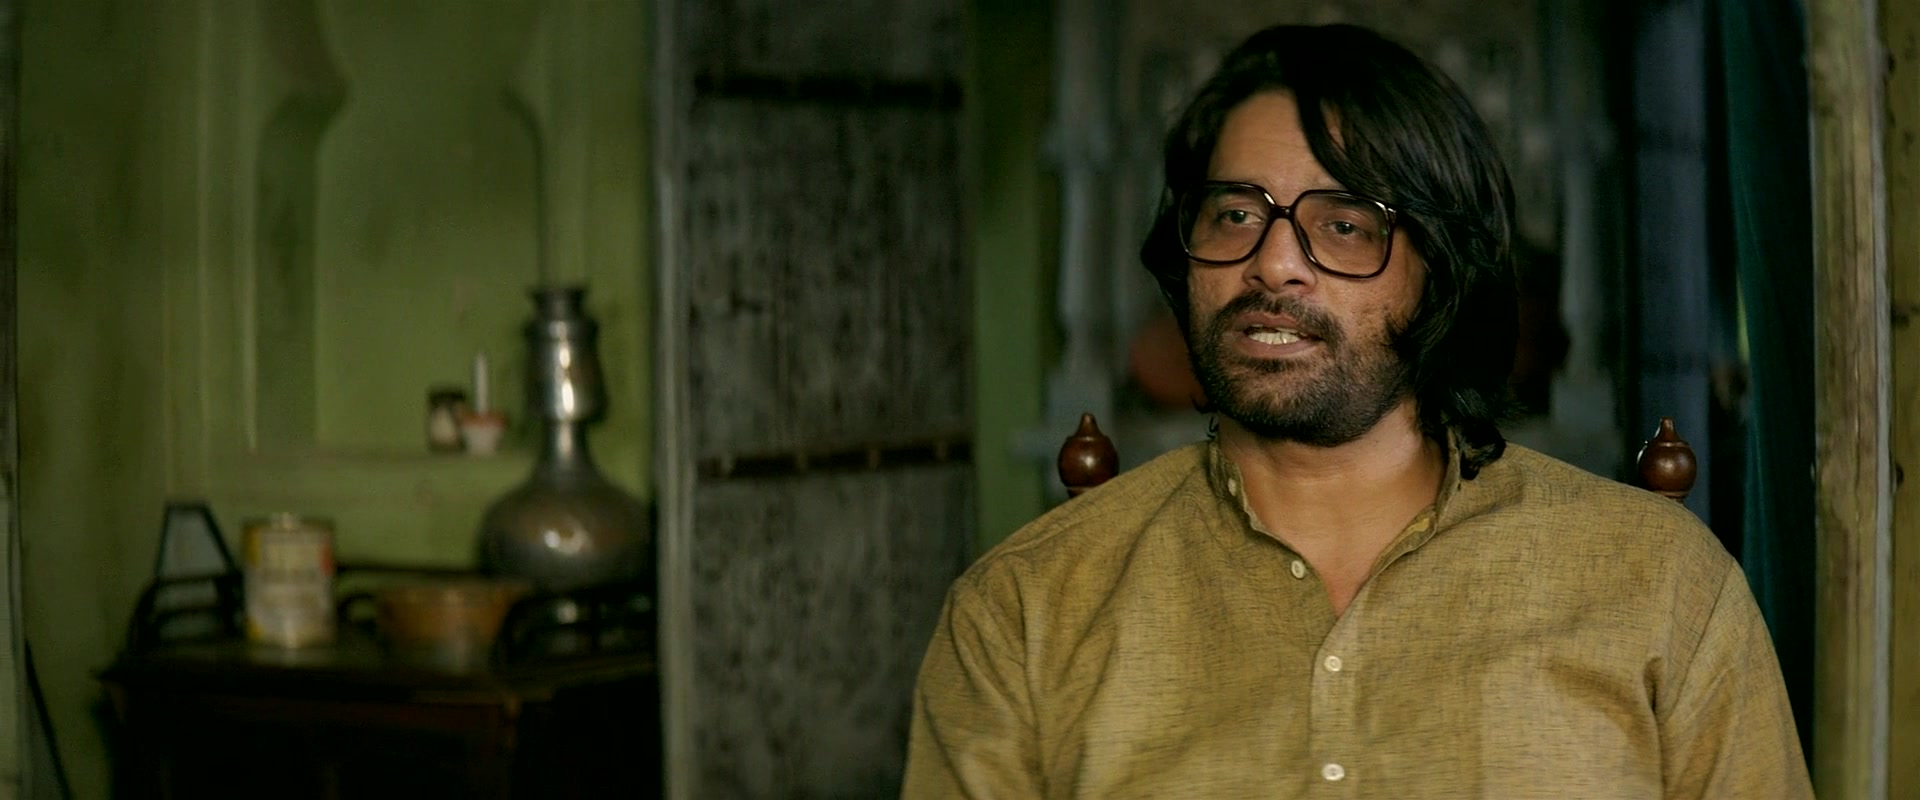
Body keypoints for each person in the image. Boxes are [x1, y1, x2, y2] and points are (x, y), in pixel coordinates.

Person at [901, 22, 1811, 799]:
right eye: (1234, 215)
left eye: (1343, 224)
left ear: (1438, 270)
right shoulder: (1028, 611)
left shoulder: (1656, 587)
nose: (1273, 264)